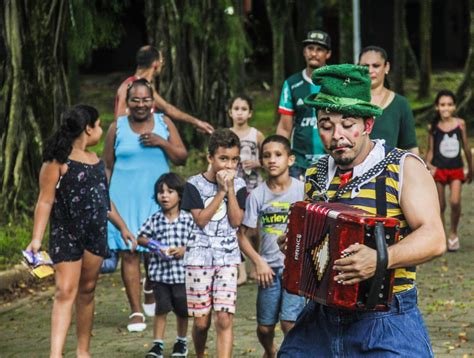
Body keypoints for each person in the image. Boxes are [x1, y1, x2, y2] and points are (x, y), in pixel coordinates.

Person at [278, 64, 446, 357]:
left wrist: (380, 258)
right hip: (320, 317)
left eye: (348, 124)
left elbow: (434, 238)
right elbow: (317, 240)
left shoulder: (403, 167)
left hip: (388, 318)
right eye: (326, 125)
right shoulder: (316, 172)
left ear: (368, 124)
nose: (337, 136)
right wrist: (294, 244)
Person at [26, 105, 135, 358]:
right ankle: (56, 353)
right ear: (88, 128)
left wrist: (123, 227)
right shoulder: (57, 161)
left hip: (95, 235)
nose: (99, 130)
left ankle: (83, 351)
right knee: (65, 290)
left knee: (87, 290)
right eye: (98, 125)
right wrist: (36, 239)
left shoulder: (97, 162)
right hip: (66, 233)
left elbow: (104, 201)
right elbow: (45, 200)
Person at [103, 79, 188, 332]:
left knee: (154, 249)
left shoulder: (164, 123)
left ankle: (151, 285)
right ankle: (136, 311)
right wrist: (103, 196)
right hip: (124, 198)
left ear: (153, 101)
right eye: (135, 100)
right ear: (127, 103)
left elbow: (182, 157)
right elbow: (107, 164)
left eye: (145, 99)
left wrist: (161, 142)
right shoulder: (116, 127)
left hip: (157, 198)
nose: (140, 104)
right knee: (129, 252)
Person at [181, 129, 247, 358]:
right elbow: (200, 220)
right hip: (198, 259)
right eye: (223, 159)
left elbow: (236, 221)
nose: (229, 165)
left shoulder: (238, 186)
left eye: (234, 159)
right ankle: (200, 354)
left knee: (224, 317)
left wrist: (229, 189)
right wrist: (220, 191)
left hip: (227, 258)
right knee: (201, 323)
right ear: (210, 158)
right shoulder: (193, 185)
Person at [239, 135, 305, 358]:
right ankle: (270, 351)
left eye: (278, 155)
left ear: (291, 159)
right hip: (268, 269)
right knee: (265, 327)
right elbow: (242, 237)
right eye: (266, 156)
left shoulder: (303, 191)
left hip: (295, 269)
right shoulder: (257, 195)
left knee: (289, 322)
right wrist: (258, 263)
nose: (272, 160)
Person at [137, 173, 194, 358]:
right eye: (161, 192)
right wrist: (156, 246)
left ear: (179, 194)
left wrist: (184, 250)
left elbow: (196, 241)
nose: (165, 196)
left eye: (170, 191)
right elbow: (141, 237)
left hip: (182, 276)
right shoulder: (155, 219)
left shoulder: (188, 219)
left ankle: (181, 341)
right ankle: (157, 345)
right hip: (160, 276)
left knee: (182, 310)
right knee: (161, 308)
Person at [115, 45, 214, 134]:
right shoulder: (128, 86)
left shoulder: (146, 87)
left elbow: (168, 109)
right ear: (156, 64)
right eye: (162, 60)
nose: (163, 64)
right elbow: (119, 121)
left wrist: (197, 122)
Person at [276, 30, 332, 180]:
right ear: (304, 52)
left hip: (333, 160)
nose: (314, 53)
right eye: (310, 48)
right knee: (299, 203)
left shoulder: (336, 83)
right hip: (299, 163)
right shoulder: (292, 84)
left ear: (328, 54)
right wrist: (279, 157)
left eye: (319, 49)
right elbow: (284, 127)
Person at [425, 90, 472, 252]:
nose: (446, 108)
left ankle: (453, 233)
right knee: (441, 205)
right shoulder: (434, 127)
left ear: (455, 106)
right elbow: (430, 150)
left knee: (455, 201)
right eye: (442, 104)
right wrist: (428, 166)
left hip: (456, 169)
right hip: (439, 170)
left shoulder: (460, 124)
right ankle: (441, 235)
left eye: (449, 104)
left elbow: (465, 147)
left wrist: (471, 168)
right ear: (437, 107)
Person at [228, 93, 265, 285]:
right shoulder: (227, 135)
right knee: (238, 226)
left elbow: (268, 157)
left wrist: (258, 162)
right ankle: (240, 269)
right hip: (234, 187)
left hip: (254, 186)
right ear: (230, 112)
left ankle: (255, 262)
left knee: (254, 228)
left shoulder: (256, 134)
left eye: (244, 109)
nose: (239, 113)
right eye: (236, 109)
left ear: (250, 113)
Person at [358, 46, 419, 154]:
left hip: (391, 169)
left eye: (376, 66)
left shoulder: (400, 104)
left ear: (386, 67)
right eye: (365, 66)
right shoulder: (350, 102)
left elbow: (411, 148)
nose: (370, 70)